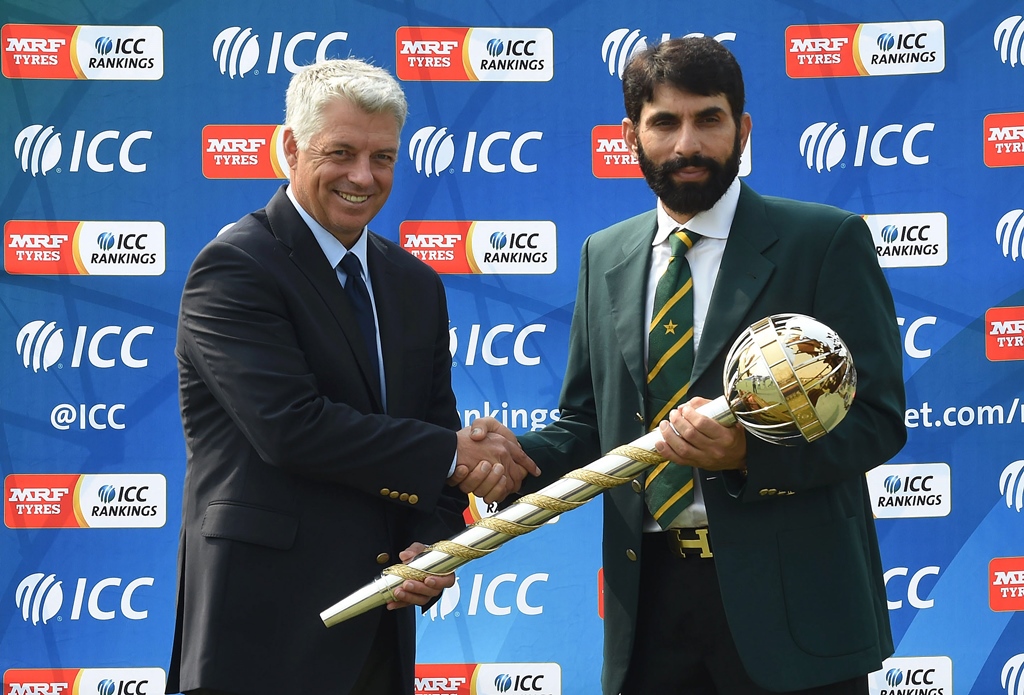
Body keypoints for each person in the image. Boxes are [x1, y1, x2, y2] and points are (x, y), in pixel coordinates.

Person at [514, 37, 906, 694]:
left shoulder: (824, 241)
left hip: (794, 612)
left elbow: (876, 420)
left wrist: (747, 457)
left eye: (710, 119)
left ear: (742, 127)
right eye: (665, 121)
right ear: (630, 134)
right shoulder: (602, 255)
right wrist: (502, 462)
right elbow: (586, 425)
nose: (687, 143)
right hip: (650, 605)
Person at [167, 58, 537, 695]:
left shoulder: (414, 285)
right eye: (340, 153)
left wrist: (434, 544)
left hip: (377, 637)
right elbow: (291, 427)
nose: (363, 177)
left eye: (384, 157)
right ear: (289, 147)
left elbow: (433, 436)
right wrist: (451, 454)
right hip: (258, 637)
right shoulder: (235, 267)